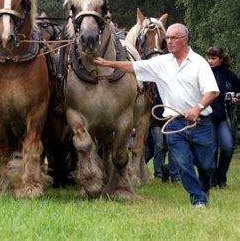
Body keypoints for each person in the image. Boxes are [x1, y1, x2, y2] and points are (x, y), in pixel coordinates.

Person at [94, 23, 219, 208]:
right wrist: (109, 63)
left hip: (200, 123)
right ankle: (198, 199)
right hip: (174, 123)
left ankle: (203, 188)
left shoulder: (199, 63)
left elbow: (212, 91)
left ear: (184, 40)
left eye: (173, 38)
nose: (168, 41)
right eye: (166, 38)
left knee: (207, 166)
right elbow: (133, 66)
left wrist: (197, 108)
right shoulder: (162, 63)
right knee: (183, 165)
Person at [206, 46, 240, 188]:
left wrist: (234, 97)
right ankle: (212, 180)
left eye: (213, 58)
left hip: (223, 117)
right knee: (212, 149)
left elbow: (238, 93)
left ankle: (222, 177)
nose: (210, 61)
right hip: (207, 117)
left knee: (227, 147)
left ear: (220, 59)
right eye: (209, 58)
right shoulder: (203, 73)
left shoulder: (229, 75)